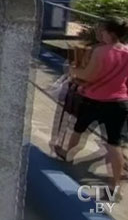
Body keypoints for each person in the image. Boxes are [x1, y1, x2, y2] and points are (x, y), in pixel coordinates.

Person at [54, 18, 128, 192]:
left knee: (79, 129)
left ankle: (66, 154)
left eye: (101, 30)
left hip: (94, 100)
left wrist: (73, 70)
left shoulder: (100, 52)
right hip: (119, 103)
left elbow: (89, 76)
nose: (98, 32)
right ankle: (114, 183)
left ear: (109, 33)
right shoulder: (126, 52)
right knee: (113, 143)